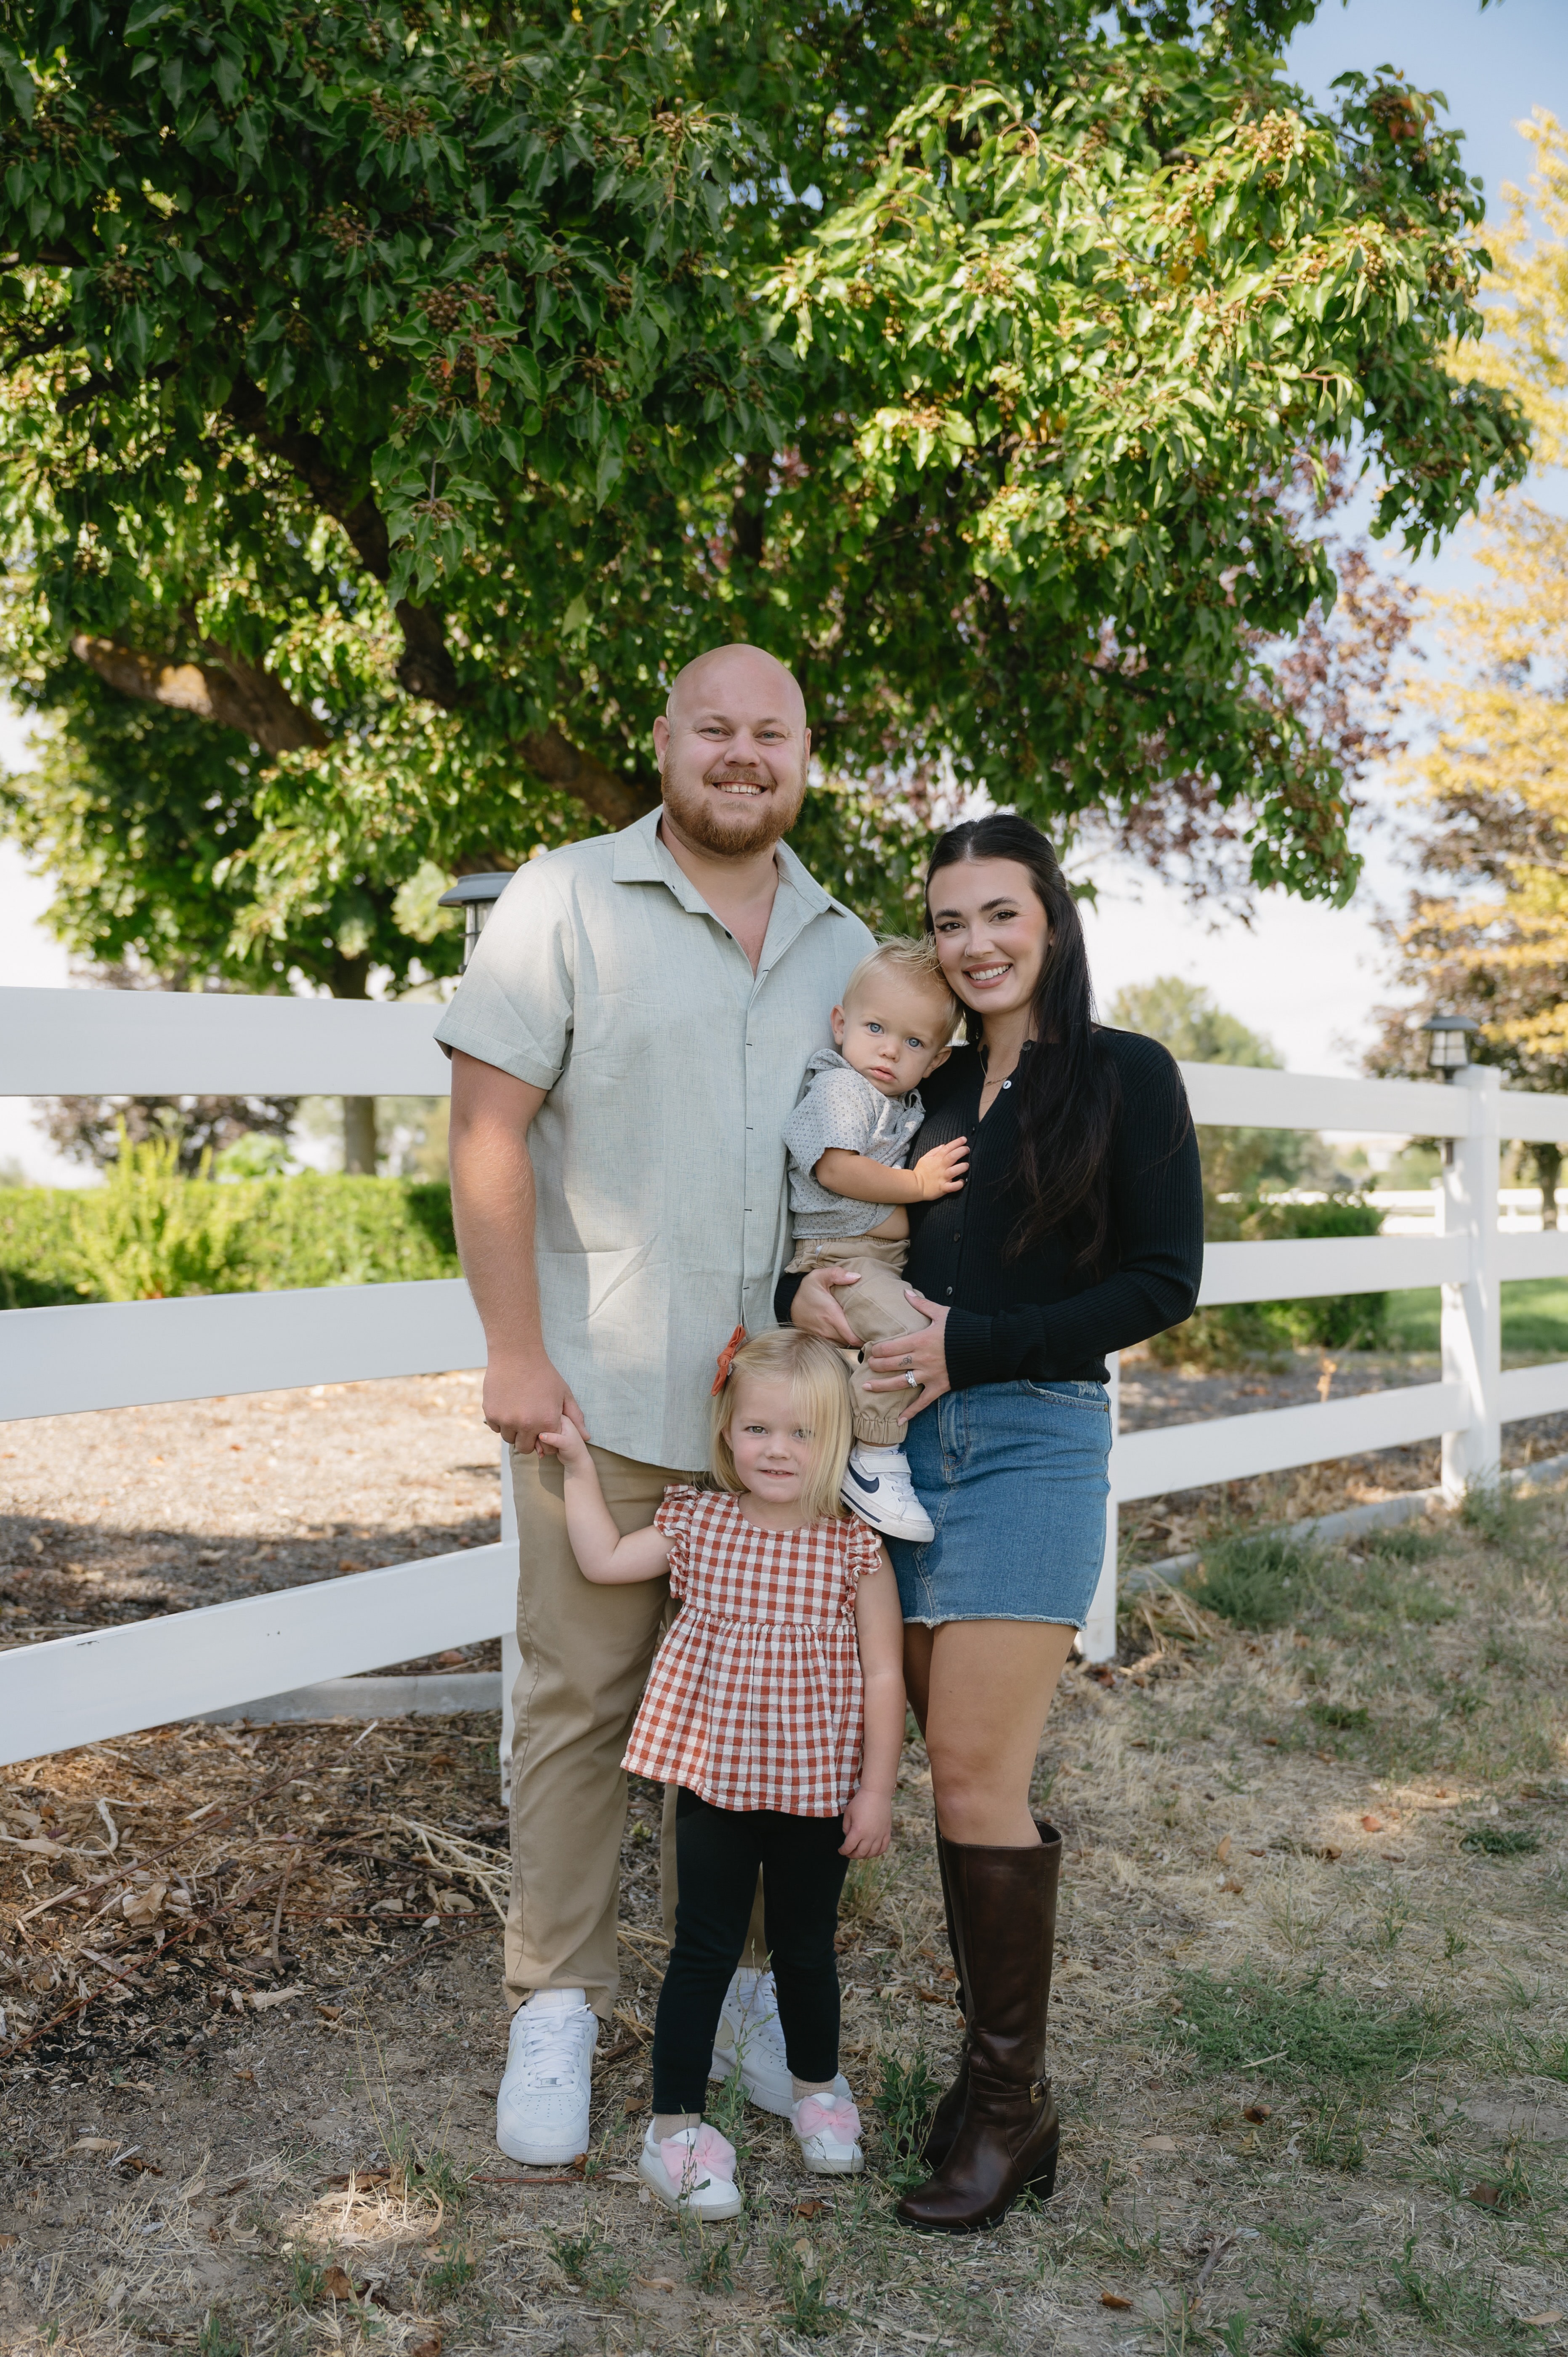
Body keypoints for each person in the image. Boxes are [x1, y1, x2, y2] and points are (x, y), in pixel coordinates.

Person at [438, 644, 875, 2165]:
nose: (740, 755)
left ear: (804, 753)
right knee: (576, 1704)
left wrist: (844, 1303)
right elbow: (487, 1125)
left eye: (770, 733)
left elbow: (843, 1182)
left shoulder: (848, 947)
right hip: (601, 1399)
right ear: (663, 735)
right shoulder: (563, 897)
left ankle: (750, 1987)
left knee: (776, 1719)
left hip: (771, 1432)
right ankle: (554, 1999)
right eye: (713, 728)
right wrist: (512, 1350)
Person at [784, 812, 1204, 2233]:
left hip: (1030, 1440)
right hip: (894, 1448)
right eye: (948, 920)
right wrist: (813, 1307)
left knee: (969, 1771)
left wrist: (978, 1345)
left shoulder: (1125, 1078)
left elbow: (1158, 1284)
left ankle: (1011, 2112)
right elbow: (851, 1233)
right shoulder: (927, 1092)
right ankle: (988, 2083)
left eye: (997, 915)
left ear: (1052, 921)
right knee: (951, 1770)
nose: (971, 944)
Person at [539, 1326, 904, 2218]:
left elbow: (886, 1673)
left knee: (805, 1949)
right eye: (757, 1430)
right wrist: (580, 1467)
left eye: (803, 1434)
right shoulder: (697, 1523)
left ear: (839, 1443)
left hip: (817, 1787)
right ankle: (675, 2131)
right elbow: (602, 1559)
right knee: (703, 1949)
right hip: (713, 1780)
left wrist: (878, 1787)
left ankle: (820, 2090)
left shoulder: (854, 1548)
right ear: (727, 1432)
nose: (777, 1450)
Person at [780, 937, 966, 1543]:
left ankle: (844, 1452)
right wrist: (916, 1184)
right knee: (913, 1340)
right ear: (841, 1024)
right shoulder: (841, 1088)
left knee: (884, 1347)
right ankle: (872, 1458)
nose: (889, 1049)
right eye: (875, 1028)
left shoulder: (896, 1100)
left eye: (913, 1042)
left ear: (935, 1062)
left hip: (875, 1261)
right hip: (843, 1258)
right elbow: (834, 1167)